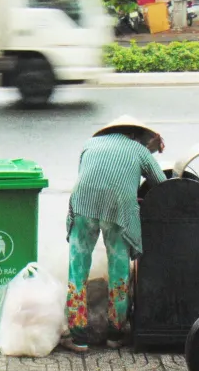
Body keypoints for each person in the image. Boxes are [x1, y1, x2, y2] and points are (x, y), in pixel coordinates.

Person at [60, 116, 167, 353]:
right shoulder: (139, 150)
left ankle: (79, 337)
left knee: (77, 270)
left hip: (82, 205)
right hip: (118, 210)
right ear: (136, 135)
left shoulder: (90, 144)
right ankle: (115, 335)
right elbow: (162, 185)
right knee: (118, 271)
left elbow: (89, 174)